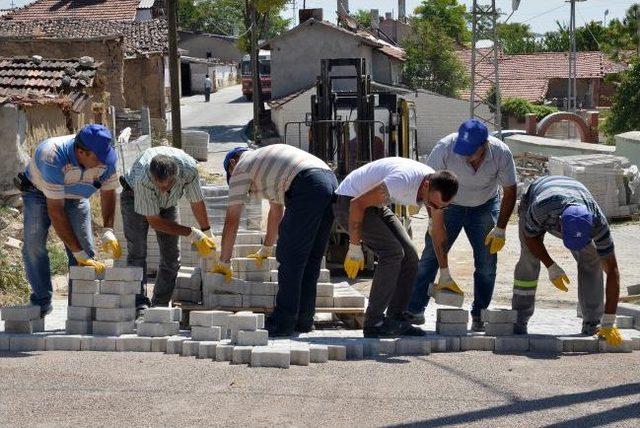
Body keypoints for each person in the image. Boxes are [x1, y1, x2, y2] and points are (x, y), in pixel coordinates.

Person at [406, 119, 517, 332]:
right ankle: (414, 309)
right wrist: (433, 218)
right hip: (448, 206)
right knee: (431, 255)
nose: (465, 154)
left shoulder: (501, 153)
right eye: (463, 149)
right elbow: (429, 184)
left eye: (471, 151)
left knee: (486, 263)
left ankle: (480, 313)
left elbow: (510, 191)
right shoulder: (445, 148)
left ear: (484, 145)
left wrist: (501, 228)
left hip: (484, 205)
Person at [216, 144, 337, 337]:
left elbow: (232, 221)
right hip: (329, 181)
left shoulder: (241, 167)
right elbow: (276, 211)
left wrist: (224, 261)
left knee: (289, 257)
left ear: (232, 163)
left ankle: (283, 322)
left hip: (306, 184)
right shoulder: (266, 163)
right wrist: (266, 248)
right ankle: (304, 321)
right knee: (311, 259)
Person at [334, 157, 459, 338]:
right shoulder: (401, 181)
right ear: (426, 185)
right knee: (392, 253)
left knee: (410, 258)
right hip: (349, 202)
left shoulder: (435, 190)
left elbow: (438, 231)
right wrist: (354, 247)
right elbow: (357, 204)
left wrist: (445, 272)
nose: (433, 208)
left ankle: (396, 318)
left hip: (375, 204)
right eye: (431, 204)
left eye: (441, 207)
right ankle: (374, 322)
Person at [20, 124, 120, 316]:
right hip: (38, 194)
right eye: (98, 158)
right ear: (81, 152)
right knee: (34, 245)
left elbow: (108, 192)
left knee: (86, 250)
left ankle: (79, 309)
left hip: (76, 197)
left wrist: (108, 230)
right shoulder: (52, 155)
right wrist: (77, 252)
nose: (103, 163)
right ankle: (41, 302)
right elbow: (56, 212)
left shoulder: (106, 157)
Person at [513, 175, 623, 346]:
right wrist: (551, 265)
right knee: (529, 258)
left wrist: (609, 321)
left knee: (591, 258)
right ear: (560, 224)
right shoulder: (541, 207)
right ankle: (518, 320)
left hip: (574, 201)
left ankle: (593, 323)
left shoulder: (598, 223)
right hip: (535, 198)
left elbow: (613, 271)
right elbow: (531, 237)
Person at [121, 146, 216, 312]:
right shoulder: (144, 178)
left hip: (169, 204)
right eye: (159, 186)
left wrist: (207, 232)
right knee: (137, 252)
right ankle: (139, 305)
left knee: (172, 257)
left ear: (176, 176)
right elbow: (156, 222)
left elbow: (196, 201)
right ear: (152, 177)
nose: (163, 190)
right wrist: (192, 233)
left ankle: (159, 306)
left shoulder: (189, 170)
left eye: (167, 186)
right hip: (133, 196)